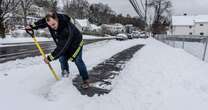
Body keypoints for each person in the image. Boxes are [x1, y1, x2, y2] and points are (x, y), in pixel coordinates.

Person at [25, 10, 89, 88]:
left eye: (53, 24)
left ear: (57, 19)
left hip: (76, 44)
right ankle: (65, 75)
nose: (52, 27)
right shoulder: (51, 21)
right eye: (50, 25)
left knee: (78, 61)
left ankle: (85, 80)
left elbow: (62, 48)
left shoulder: (66, 29)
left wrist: (50, 58)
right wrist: (32, 26)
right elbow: (42, 22)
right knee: (62, 58)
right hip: (64, 43)